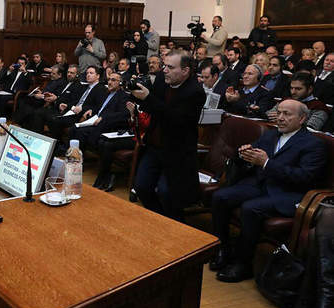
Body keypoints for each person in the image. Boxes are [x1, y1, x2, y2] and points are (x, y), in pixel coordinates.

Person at [210, 99, 327, 282]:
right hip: (260, 184)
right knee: (220, 197)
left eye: (286, 114)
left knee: (250, 209)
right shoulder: (270, 135)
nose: (280, 118)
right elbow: (250, 158)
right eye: (278, 112)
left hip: (287, 193)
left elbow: (303, 177)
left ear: (302, 118)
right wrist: (244, 153)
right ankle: (222, 249)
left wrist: (266, 163)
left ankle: (243, 263)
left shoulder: (313, 144)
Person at [131, 51, 206, 221]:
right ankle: (160, 220)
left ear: (185, 71)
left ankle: (174, 224)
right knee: (141, 186)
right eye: (164, 65)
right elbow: (153, 107)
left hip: (177, 152)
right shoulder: (161, 79)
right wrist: (137, 96)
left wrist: (148, 98)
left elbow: (175, 118)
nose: (164, 70)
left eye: (170, 67)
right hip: (155, 146)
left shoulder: (195, 92)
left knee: (168, 194)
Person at [46, 65, 107, 142]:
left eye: (91, 73)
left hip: (82, 115)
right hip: (73, 111)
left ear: (98, 76)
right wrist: (67, 105)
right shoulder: (86, 87)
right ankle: (57, 143)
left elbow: (98, 106)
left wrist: (82, 108)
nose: (88, 75)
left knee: (55, 121)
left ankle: (58, 145)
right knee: (51, 118)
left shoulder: (101, 88)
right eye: (87, 73)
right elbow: (77, 101)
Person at [27, 65, 84, 133]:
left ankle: (42, 136)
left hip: (64, 111)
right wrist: (50, 95)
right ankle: (35, 134)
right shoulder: (65, 82)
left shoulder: (79, 86)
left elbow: (71, 102)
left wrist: (56, 99)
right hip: (54, 107)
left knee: (44, 115)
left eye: (72, 73)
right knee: (37, 112)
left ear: (77, 74)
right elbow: (57, 94)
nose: (69, 74)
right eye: (68, 72)